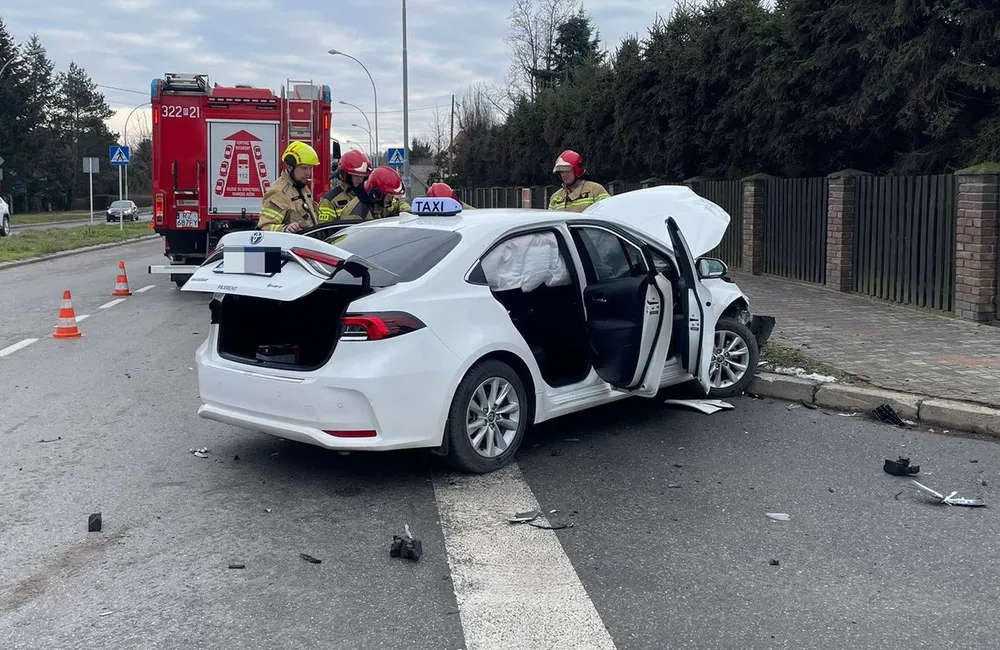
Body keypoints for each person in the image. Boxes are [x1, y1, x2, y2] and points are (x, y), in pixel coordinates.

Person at [257, 141, 320, 232]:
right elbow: (265, 227)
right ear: (290, 167)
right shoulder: (278, 192)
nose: (308, 173)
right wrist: (285, 229)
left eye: (310, 168)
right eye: (304, 168)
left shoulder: (301, 187)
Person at [317, 149, 372, 221]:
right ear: (345, 175)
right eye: (356, 176)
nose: (360, 179)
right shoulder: (329, 200)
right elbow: (325, 230)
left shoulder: (370, 197)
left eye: (363, 176)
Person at [340, 166, 412, 220]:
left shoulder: (376, 202)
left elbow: (397, 202)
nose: (391, 200)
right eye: (389, 196)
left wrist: (407, 212)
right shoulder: (356, 215)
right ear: (377, 194)